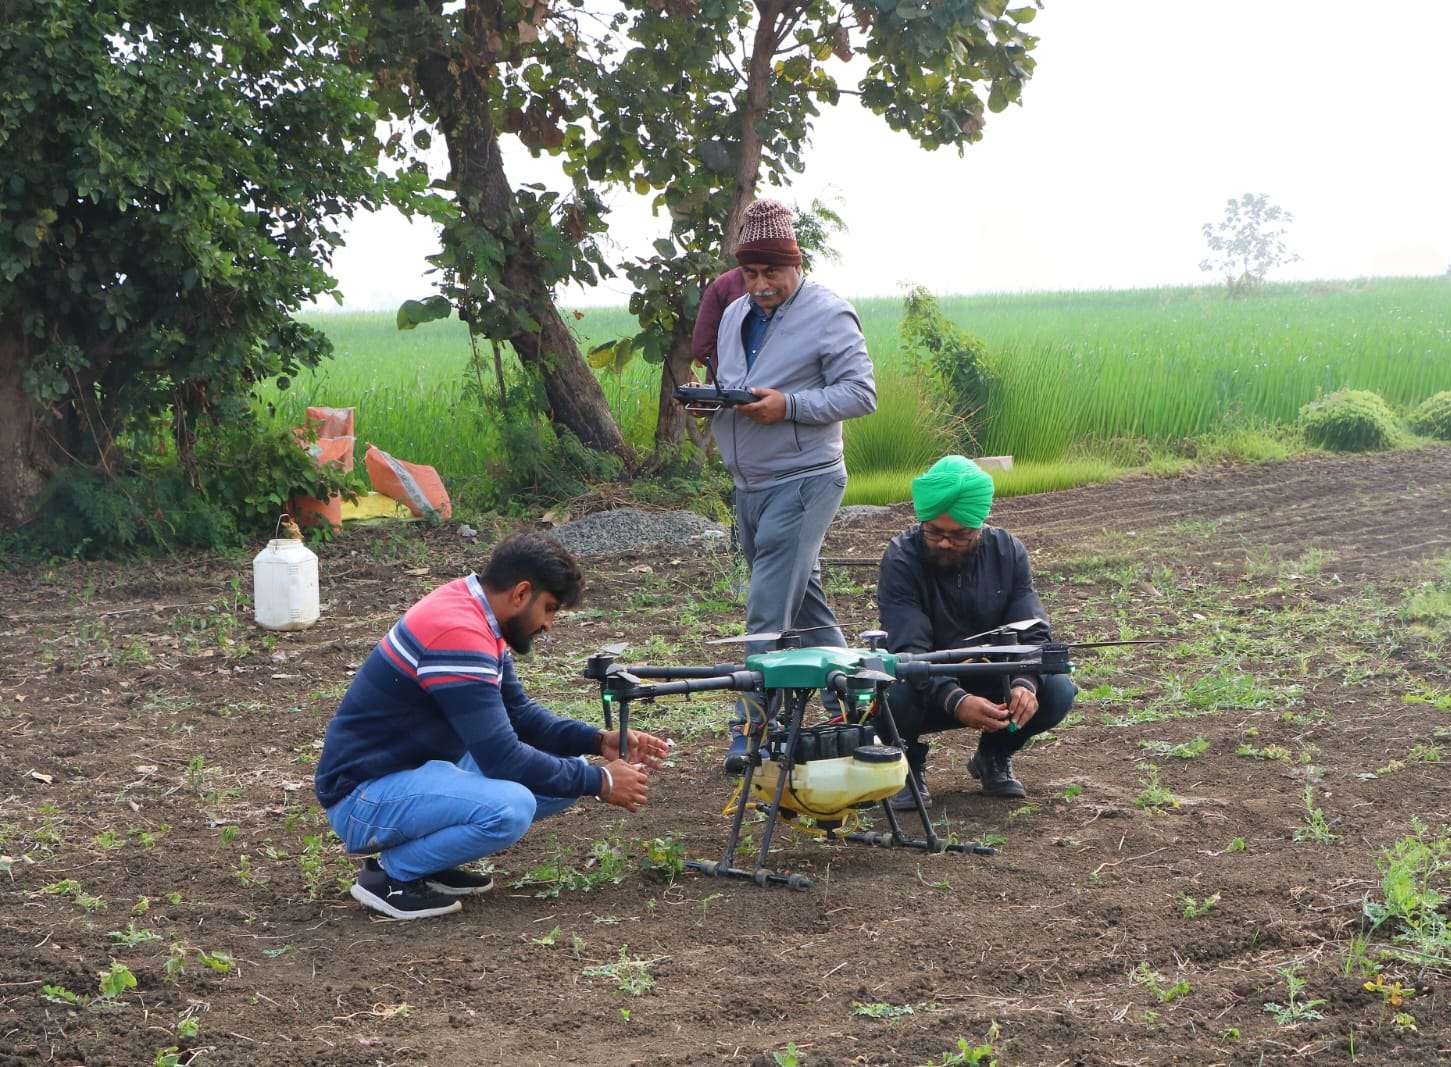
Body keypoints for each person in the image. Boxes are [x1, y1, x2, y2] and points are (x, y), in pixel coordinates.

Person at [314, 533, 669, 920]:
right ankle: (391, 876)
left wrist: (597, 741)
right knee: (512, 807)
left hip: (408, 773)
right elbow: (501, 757)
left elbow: (520, 715)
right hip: (363, 796)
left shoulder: (476, 613)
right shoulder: (458, 633)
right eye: (548, 608)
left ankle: (425, 862)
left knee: (560, 775)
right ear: (521, 593)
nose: (548, 625)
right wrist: (601, 783)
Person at [693, 198, 877, 773]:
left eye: (772, 271)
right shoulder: (733, 314)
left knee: (767, 609)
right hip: (749, 482)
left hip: (805, 479)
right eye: (750, 273)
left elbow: (861, 394)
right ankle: (857, 708)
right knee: (808, 608)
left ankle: (750, 726)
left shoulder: (829, 313)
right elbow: (736, 383)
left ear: (796, 264)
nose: (761, 284)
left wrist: (790, 406)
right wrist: (710, 402)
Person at [875, 456, 1077, 809]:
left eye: (960, 535)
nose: (945, 543)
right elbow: (909, 647)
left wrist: (1023, 685)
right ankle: (908, 766)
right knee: (892, 694)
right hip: (927, 681)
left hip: (992, 675)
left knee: (1057, 690)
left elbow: (1033, 632)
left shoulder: (1008, 551)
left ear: (979, 526)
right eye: (934, 531)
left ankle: (994, 757)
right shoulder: (901, 558)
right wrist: (955, 699)